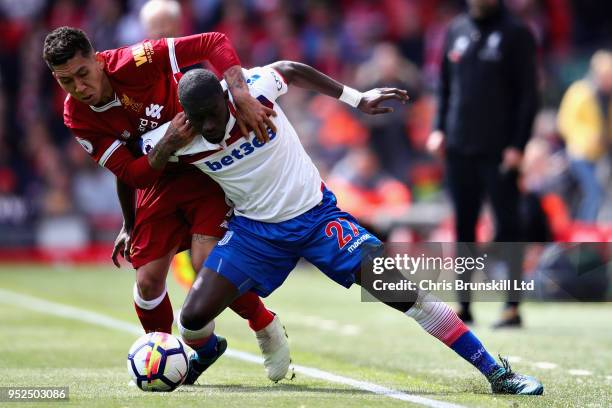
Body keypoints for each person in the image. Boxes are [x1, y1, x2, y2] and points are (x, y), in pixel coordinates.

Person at [140, 61, 544, 394]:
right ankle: (207, 351)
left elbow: (292, 71)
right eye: (199, 119)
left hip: (319, 220)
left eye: (214, 113)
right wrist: (154, 166)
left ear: (227, 97)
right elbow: (133, 171)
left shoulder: (255, 89)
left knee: (407, 294)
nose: (209, 126)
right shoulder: (178, 137)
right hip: (256, 232)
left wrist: (357, 97)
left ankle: (497, 373)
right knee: (192, 319)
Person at [43, 26, 291, 383]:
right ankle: (193, 353)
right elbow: (132, 173)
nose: (79, 88)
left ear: (98, 61)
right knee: (146, 282)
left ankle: (264, 324)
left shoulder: (135, 61)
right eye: (67, 81)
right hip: (158, 179)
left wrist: (239, 95)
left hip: (205, 169)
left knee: (208, 266)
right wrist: (132, 218)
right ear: (56, 78)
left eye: (83, 74)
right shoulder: (77, 117)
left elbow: (214, 42)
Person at [426, 0, 538, 327]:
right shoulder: (456, 30)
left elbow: (528, 95)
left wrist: (519, 145)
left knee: (508, 227)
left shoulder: (516, 33)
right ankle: (464, 305)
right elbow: (445, 87)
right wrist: (438, 128)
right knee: (464, 226)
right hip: (460, 147)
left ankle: (512, 306)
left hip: (500, 150)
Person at [557, 50, 612, 222]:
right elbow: (564, 123)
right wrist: (587, 137)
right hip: (580, 153)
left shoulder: (608, 97)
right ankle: (585, 231)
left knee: (600, 194)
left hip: (601, 154)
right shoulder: (579, 92)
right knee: (594, 192)